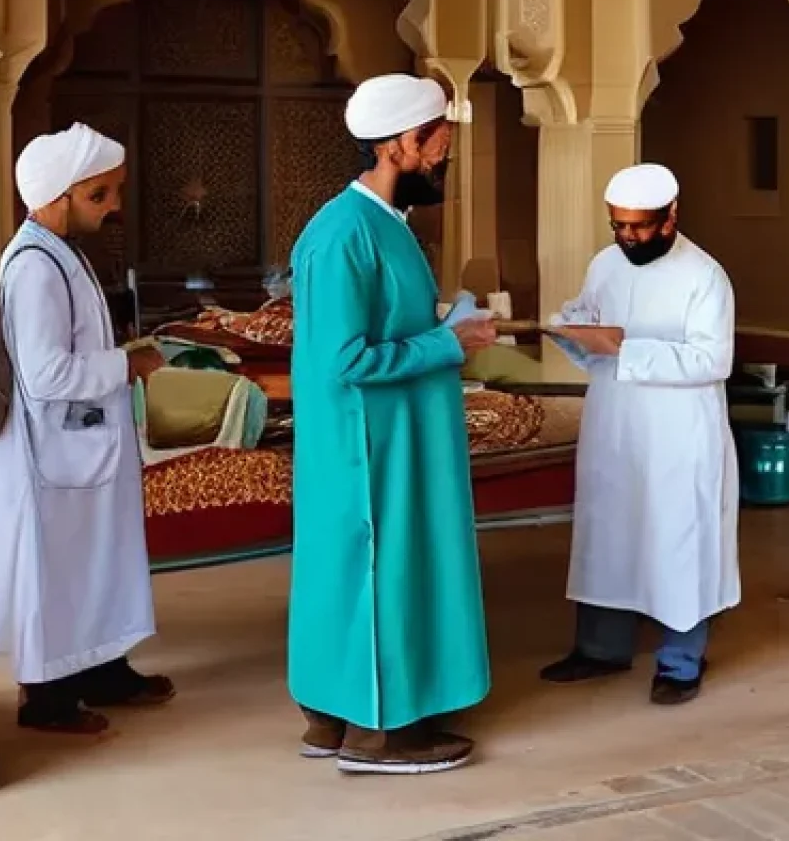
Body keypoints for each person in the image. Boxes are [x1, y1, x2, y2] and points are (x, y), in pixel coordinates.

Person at [288, 74, 496, 775]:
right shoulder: (345, 233)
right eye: (439, 143)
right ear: (404, 144)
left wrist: (444, 326)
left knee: (360, 575)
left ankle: (336, 717)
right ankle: (379, 734)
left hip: (395, 436)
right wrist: (449, 344)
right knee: (375, 573)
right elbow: (344, 358)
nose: (444, 157)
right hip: (368, 447)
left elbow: (386, 326)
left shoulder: (383, 226)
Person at [0, 123, 173, 734]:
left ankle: (103, 669)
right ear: (60, 194)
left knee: (101, 562)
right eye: (100, 194)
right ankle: (47, 700)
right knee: (62, 573)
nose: (114, 206)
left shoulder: (59, 252)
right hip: (54, 455)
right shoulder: (35, 266)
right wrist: (129, 364)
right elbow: (44, 374)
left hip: (84, 446)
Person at [540, 163, 739, 705]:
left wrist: (624, 349)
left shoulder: (705, 276)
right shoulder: (605, 263)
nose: (628, 237)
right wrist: (570, 328)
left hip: (679, 435)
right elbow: (592, 322)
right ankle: (600, 650)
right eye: (619, 226)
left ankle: (680, 662)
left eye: (641, 227)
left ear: (671, 216)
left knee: (679, 542)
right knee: (609, 533)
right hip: (615, 424)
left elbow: (713, 358)